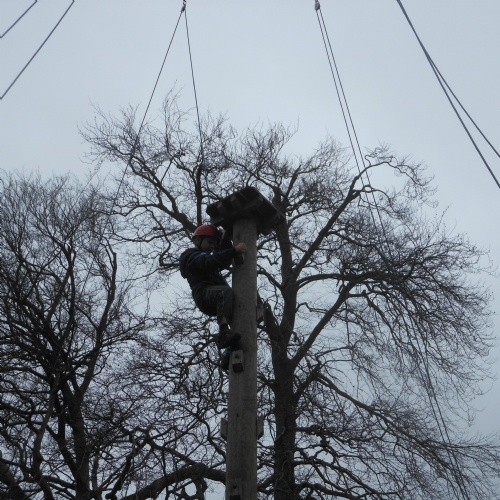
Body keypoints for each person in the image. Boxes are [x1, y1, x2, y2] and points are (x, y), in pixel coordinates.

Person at [179, 224, 247, 366]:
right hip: (204, 294)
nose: (212, 246)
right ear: (198, 240)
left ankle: (229, 351)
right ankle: (224, 334)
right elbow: (210, 261)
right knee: (225, 292)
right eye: (210, 242)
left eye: (214, 244)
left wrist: (225, 239)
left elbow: (222, 259)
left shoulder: (206, 257)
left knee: (235, 314)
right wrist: (234, 250)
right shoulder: (191, 256)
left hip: (215, 297)